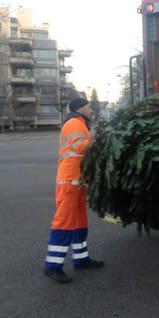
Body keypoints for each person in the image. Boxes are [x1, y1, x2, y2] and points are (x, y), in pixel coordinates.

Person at [43, 97, 104, 283]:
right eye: (88, 107)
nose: (91, 110)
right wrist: (102, 139)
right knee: (64, 222)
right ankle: (52, 266)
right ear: (80, 109)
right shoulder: (74, 124)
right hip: (69, 180)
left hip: (77, 180)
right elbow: (82, 147)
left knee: (79, 221)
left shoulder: (80, 123)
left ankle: (81, 259)